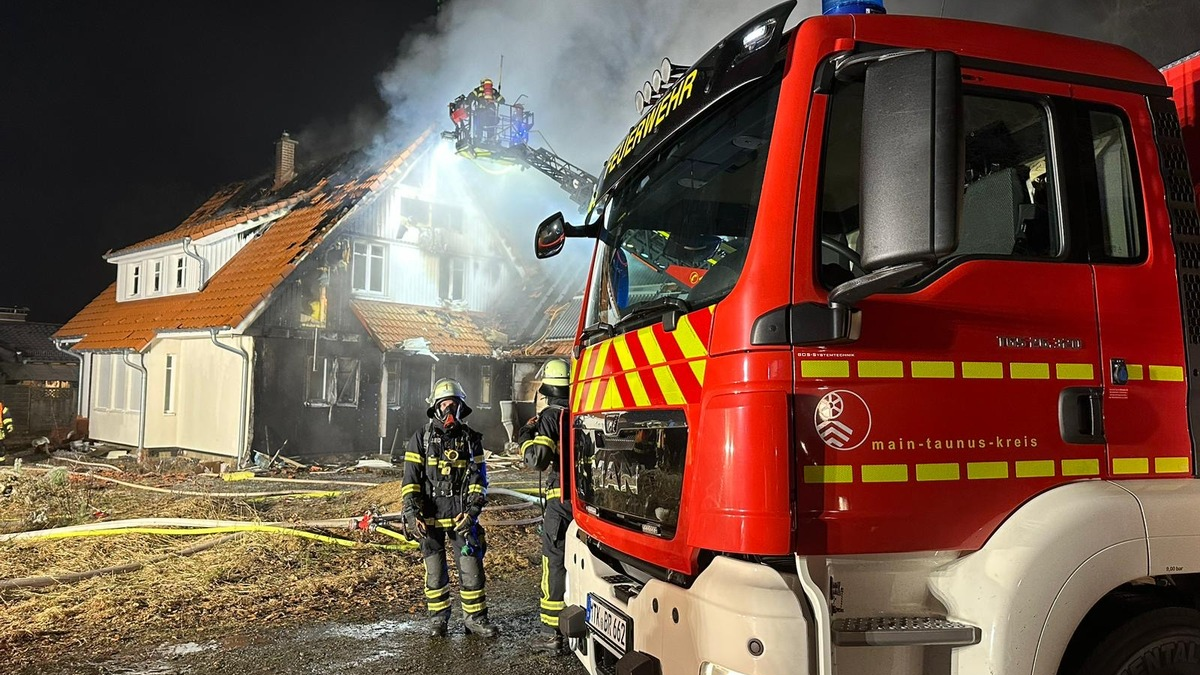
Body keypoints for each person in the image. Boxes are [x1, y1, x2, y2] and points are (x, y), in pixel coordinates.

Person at [401, 377, 499, 639]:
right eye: (444, 403)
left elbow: (479, 481)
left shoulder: (470, 440)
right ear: (435, 406)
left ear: (461, 407)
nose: (449, 410)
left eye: (454, 404)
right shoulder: (420, 438)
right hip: (430, 520)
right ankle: (438, 621)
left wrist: (472, 513)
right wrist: (412, 514)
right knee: (435, 574)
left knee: (471, 569)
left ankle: (475, 620)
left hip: (461, 519)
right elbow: (410, 481)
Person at [518, 357, 572, 654]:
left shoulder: (551, 416)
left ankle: (554, 635)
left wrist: (525, 435)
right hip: (586, 502)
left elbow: (537, 460)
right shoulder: (581, 411)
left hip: (560, 502)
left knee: (555, 562)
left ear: (547, 390)